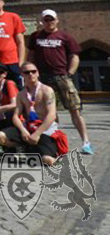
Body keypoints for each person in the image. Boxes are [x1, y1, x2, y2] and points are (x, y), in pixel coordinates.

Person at [28, 9, 93, 154]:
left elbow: (74, 56)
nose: (49, 22)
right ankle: (55, 142)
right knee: (50, 112)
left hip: (61, 77)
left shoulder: (65, 37)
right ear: (42, 22)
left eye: (51, 19)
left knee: (74, 109)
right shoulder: (35, 36)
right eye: (46, 20)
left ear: (57, 20)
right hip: (43, 79)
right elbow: (31, 55)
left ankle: (86, 142)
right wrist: (30, 72)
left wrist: (70, 73)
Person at [0, 62, 66, 166]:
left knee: (48, 160)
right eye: (27, 72)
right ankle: (21, 147)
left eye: (33, 71)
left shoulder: (47, 90)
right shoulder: (21, 94)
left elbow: (52, 115)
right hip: (28, 127)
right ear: (22, 75)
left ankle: (36, 151)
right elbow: (16, 116)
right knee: (0, 136)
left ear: (38, 73)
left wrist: (37, 133)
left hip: (44, 129)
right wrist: (23, 131)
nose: (31, 74)